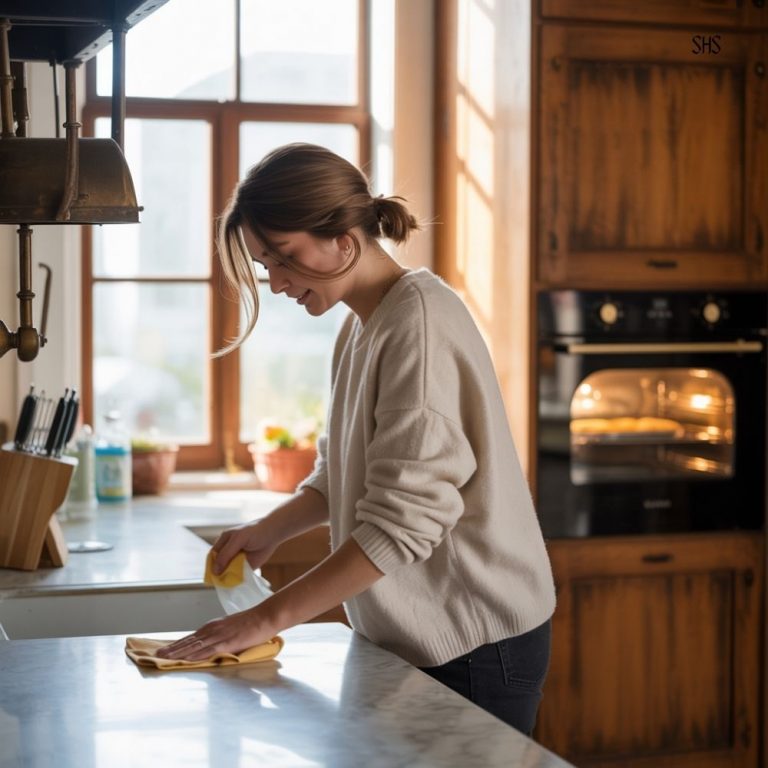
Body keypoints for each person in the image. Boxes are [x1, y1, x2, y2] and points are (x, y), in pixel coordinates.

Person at [157, 143, 557, 735]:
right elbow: (340, 478)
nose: (275, 281)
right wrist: (267, 532)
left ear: (344, 239)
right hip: (423, 635)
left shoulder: (417, 323)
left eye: (283, 257)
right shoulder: (364, 325)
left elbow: (401, 523)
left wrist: (265, 619)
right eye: (266, 264)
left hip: (475, 642)